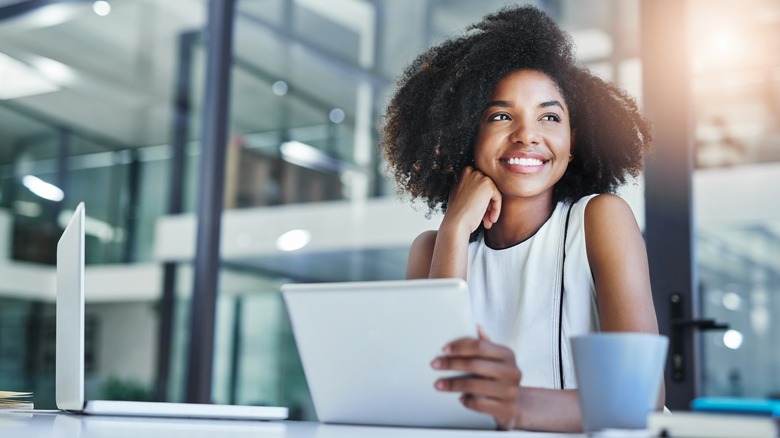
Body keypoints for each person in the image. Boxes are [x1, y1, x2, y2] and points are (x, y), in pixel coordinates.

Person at [380, 5, 662, 433]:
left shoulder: (599, 220)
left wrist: (516, 406)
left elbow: (642, 397)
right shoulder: (431, 249)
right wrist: (454, 229)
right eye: (500, 116)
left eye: (550, 117)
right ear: (464, 134)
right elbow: (433, 393)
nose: (528, 134)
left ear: (572, 141)